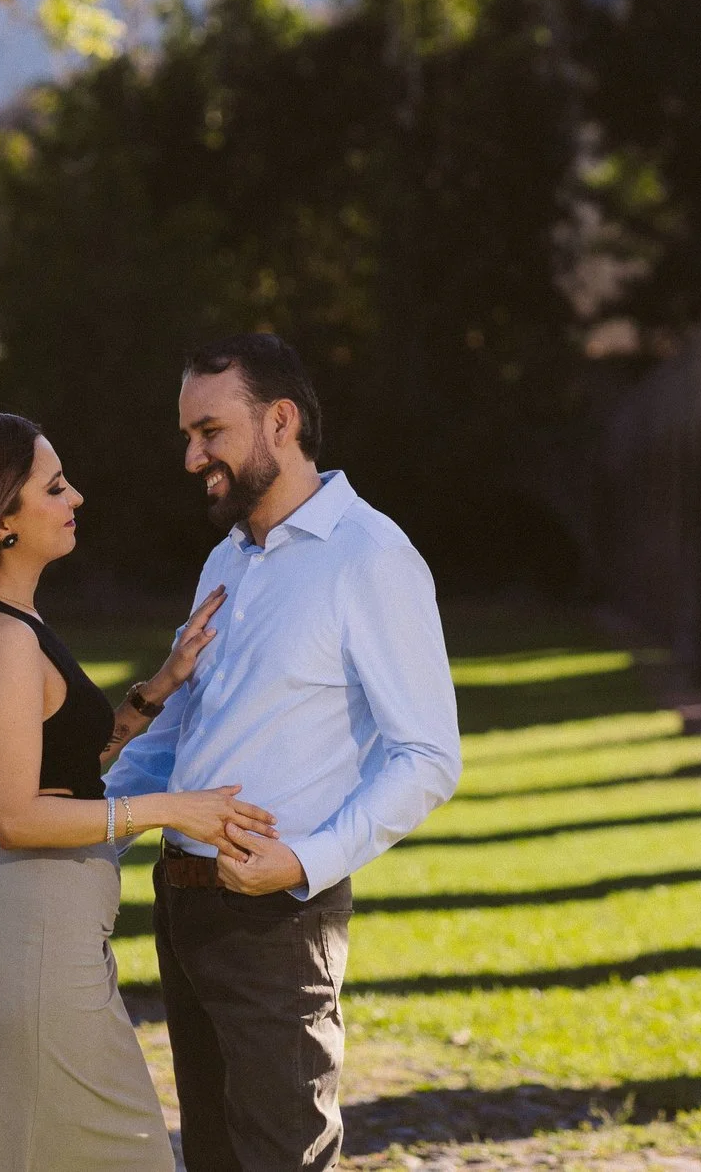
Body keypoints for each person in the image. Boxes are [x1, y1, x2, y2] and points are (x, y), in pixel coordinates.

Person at [106, 334, 463, 1172]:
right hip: (181, 898)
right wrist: (93, 829)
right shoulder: (226, 558)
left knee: (280, 1161)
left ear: (281, 419)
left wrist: (301, 860)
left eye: (210, 431)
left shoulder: (371, 556)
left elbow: (427, 754)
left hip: (278, 918)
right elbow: (184, 735)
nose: (193, 456)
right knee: (216, 1159)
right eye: (188, 436)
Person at [0, 410, 279, 1171]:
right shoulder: (2, 640)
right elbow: (16, 814)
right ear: (1, 519)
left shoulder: (16, 624)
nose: (78, 497)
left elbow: (56, 772)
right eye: (55, 485)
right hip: (25, 939)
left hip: (39, 935)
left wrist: (153, 693)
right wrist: (172, 806)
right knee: (130, 1157)